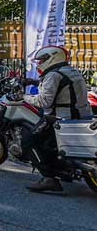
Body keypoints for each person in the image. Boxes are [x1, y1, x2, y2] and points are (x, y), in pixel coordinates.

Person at [22, 45, 90, 193]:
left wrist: (23, 97)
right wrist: (34, 82)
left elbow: (44, 101)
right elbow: (63, 86)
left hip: (59, 118)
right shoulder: (69, 71)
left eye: (42, 60)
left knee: (28, 142)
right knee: (46, 142)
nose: (40, 63)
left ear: (51, 58)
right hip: (80, 116)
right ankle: (60, 168)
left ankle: (49, 179)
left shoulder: (53, 75)